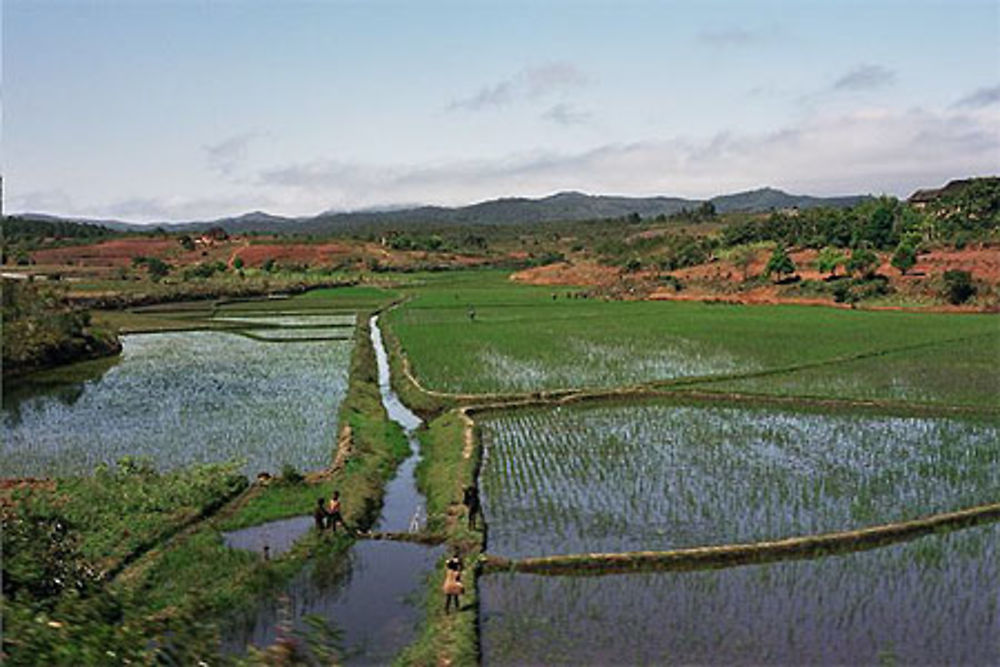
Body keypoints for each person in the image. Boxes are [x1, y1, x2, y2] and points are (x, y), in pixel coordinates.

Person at [442, 550, 464, 614]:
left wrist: (452, 560)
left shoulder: (448, 571)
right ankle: (457, 608)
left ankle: (446, 610)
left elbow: (447, 563)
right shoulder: (457, 573)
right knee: (455, 598)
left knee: (448, 599)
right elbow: (461, 568)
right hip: (454, 586)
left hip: (447, 586)